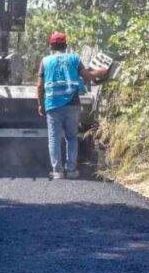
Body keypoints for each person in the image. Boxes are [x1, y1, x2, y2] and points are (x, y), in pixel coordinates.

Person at [37, 31, 108, 180]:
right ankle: (71, 170)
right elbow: (87, 77)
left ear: (51, 46)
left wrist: (40, 104)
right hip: (72, 104)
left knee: (54, 138)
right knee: (71, 137)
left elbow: (39, 86)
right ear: (66, 45)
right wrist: (101, 72)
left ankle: (57, 172)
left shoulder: (45, 61)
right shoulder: (74, 59)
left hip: (52, 105)